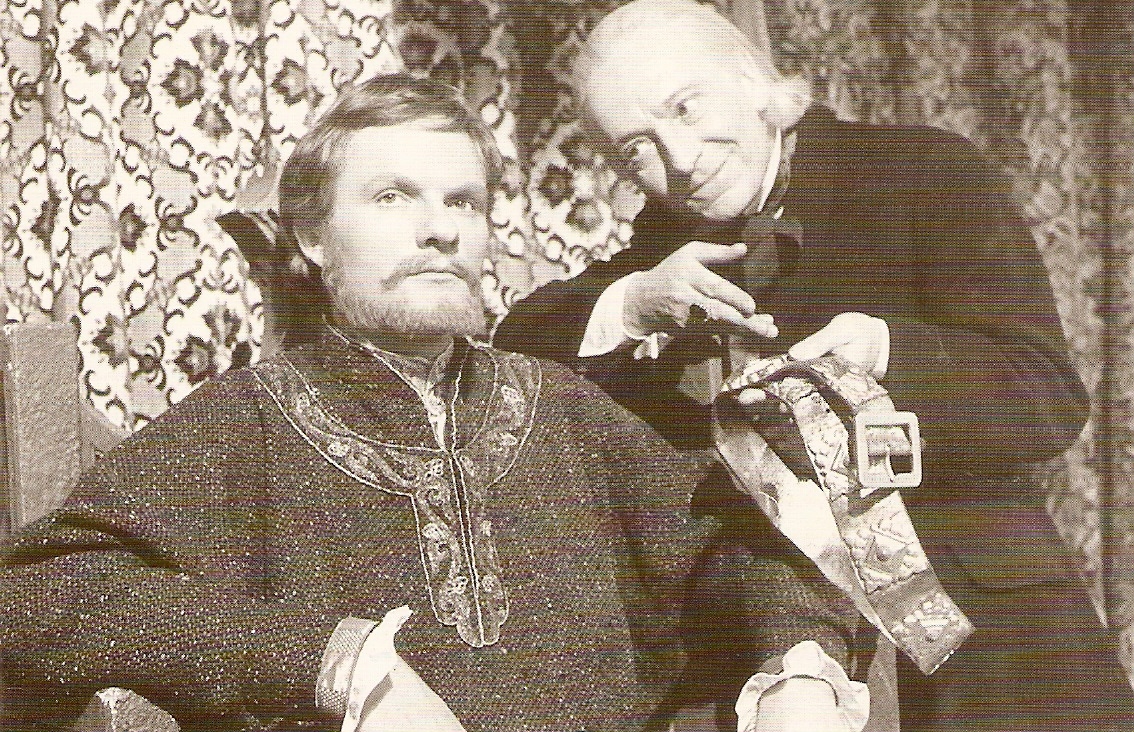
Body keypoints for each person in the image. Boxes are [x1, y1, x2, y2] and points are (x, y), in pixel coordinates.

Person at [0, 73, 807, 732]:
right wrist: (335, 663)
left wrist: (799, 671)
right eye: (393, 197)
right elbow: (32, 599)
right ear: (313, 238)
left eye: (463, 202)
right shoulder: (243, 422)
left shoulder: (560, 406)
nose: (440, 230)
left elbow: (745, 548)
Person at [493, 1, 1133, 730]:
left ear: (752, 79)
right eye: (637, 148)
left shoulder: (924, 171)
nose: (681, 159)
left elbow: (1047, 398)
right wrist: (633, 304)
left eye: (685, 107)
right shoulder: (664, 253)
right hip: (786, 668)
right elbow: (515, 348)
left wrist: (888, 352)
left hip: (992, 643)